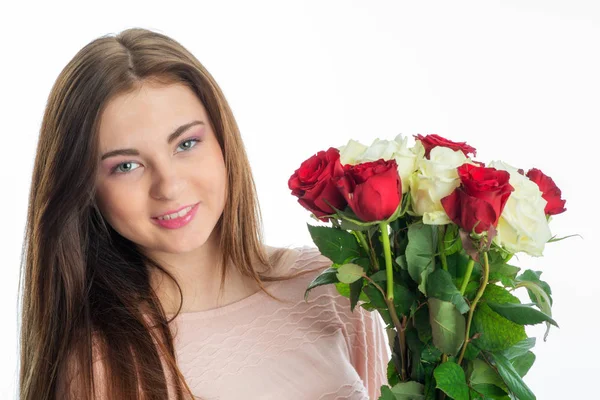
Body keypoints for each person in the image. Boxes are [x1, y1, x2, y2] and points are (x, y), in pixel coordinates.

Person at [17, 27, 390, 400]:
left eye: (186, 143)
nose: (170, 186)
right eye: (126, 166)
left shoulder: (335, 288)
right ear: (86, 190)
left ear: (223, 140)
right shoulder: (101, 366)